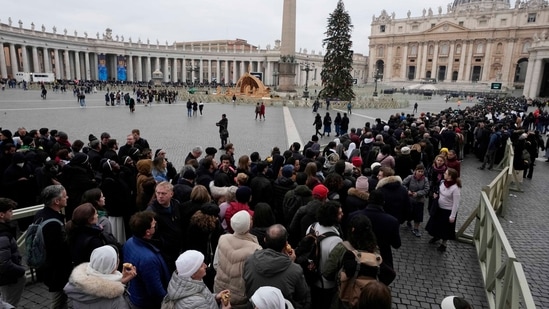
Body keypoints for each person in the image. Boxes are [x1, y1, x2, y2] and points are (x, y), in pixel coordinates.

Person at [243, 224, 311, 309]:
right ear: (286, 244)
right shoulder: (295, 270)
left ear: (264, 240)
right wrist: (291, 263)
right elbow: (302, 296)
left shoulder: (250, 260)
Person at [322, 215, 381, 309]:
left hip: (344, 297)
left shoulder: (342, 248)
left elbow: (327, 272)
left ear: (352, 230)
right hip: (366, 298)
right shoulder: (375, 251)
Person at [33, 185, 73, 309]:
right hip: (57, 271)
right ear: (56, 201)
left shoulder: (40, 214)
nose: (67, 197)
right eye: (65, 195)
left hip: (47, 267)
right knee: (58, 300)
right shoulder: (53, 223)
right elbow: (58, 251)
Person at [214, 210, 262, 308]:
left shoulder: (223, 239)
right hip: (240, 296)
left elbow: (216, 264)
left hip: (219, 291)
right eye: (250, 219)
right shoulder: (255, 248)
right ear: (248, 225)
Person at [63, 245, 137, 309]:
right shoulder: (116, 300)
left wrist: (120, 282)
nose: (119, 260)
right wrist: (121, 287)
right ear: (113, 266)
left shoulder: (74, 285)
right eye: (116, 259)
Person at [123, 211, 170, 309]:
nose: (155, 224)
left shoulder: (129, 242)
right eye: (153, 225)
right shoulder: (148, 259)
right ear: (147, 232)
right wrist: (167, 303)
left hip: (134, 294)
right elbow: (156, 290)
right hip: (145, 303)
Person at [164, 250, 231, 309]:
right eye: (201, 266)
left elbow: (202, 301)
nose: (206, 266)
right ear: (193, 273)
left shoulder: (194, 283)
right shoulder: (192, 302)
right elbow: (198, 302)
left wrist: (215, 297)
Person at [146, 181, 183, 272]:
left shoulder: (176, 204)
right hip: (164, 252)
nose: (160, 196)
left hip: (176, 248)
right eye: (158, 193)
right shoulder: (151, 211)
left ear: (171, 194)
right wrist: (163, 243)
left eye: (163, 193)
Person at [426, 168, 461, 252]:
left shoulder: (455, 188)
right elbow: (440, 192)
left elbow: (456, 203)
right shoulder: (442, 182)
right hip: (439, 208)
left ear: (450, 176)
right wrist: (436, 195)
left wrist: (452, 216)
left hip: (447, 211)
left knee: (446, 229)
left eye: (446, 173)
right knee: (436, 224)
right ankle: (436, 236)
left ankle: (444, 244)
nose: (444, 174)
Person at [0, 198, 26, 308]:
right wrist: (21, 271)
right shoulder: (3, 234)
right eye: (10, 211)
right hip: (10, 277)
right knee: (10, 304)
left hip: (7, 277)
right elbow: (4, 263)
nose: (12, 213)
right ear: (1, 214)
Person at [402, 164, 430, 237]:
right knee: (409, 213)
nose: (420, 173)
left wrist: (418, 193)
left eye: (422, 171)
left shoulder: (425, 179)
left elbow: (426, 189)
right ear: (415, 171)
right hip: (410, 199)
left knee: (418, 215)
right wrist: (407, 191)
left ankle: (416, 228)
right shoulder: (410, 177)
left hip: (419, 200)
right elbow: (403, 184)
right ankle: (408, 221)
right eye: (419, 171)